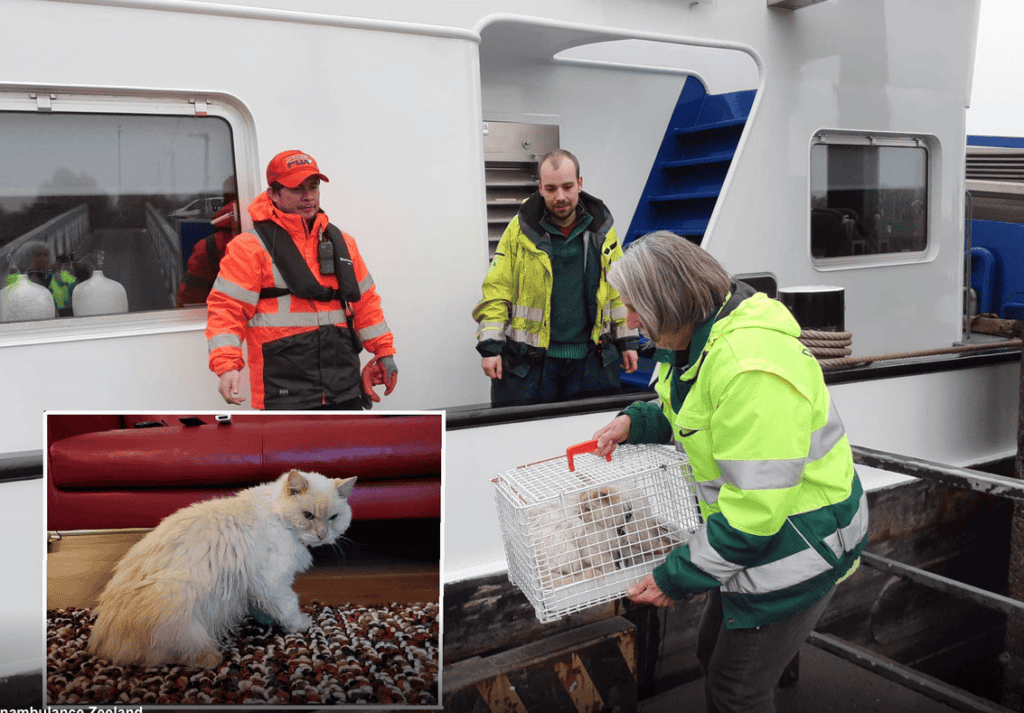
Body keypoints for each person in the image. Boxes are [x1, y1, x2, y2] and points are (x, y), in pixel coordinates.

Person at [591, 231, 868, 713]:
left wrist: (673, 577)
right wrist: (635, 422)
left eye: (635, 307)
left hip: (801, 544)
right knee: (710, 654)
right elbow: (692, 413)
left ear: (671, 301)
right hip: (763, 537)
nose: (629, 320)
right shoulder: (695, 343)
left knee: (736, 688)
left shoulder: (750, 369)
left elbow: (754, 512)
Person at [206, 150, 397, 410]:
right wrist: (226, 366)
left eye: (313, 187)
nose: (308, 196)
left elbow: (366, 304)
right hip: (283, 392)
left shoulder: (343, 243)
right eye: (297, 189)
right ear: (273, 193)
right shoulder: (249, 248)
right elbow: (226, 311)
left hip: (343, 387)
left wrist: (384, 351)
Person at [472, 149, 639, 406]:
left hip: (590, 363)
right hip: (532, 366)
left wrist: (626, 340)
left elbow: (618, 293)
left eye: (567, 187)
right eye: (550, 189)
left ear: (580, 184)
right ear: (539, 188)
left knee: (589, 438)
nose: (560, 197)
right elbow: (497, 290)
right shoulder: (519, 231)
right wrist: (490, 347)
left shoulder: (603, 231)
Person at [176, 177, 241, 307]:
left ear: (224, 198)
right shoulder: (278, 237)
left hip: (226, 322)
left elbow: (189, 304)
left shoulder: (209, 246)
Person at [5, 241, 77, 315]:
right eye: (38, 255)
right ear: (26, 257)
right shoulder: (18, 281)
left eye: (46, 254)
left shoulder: (49, 276)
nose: (43, 258)